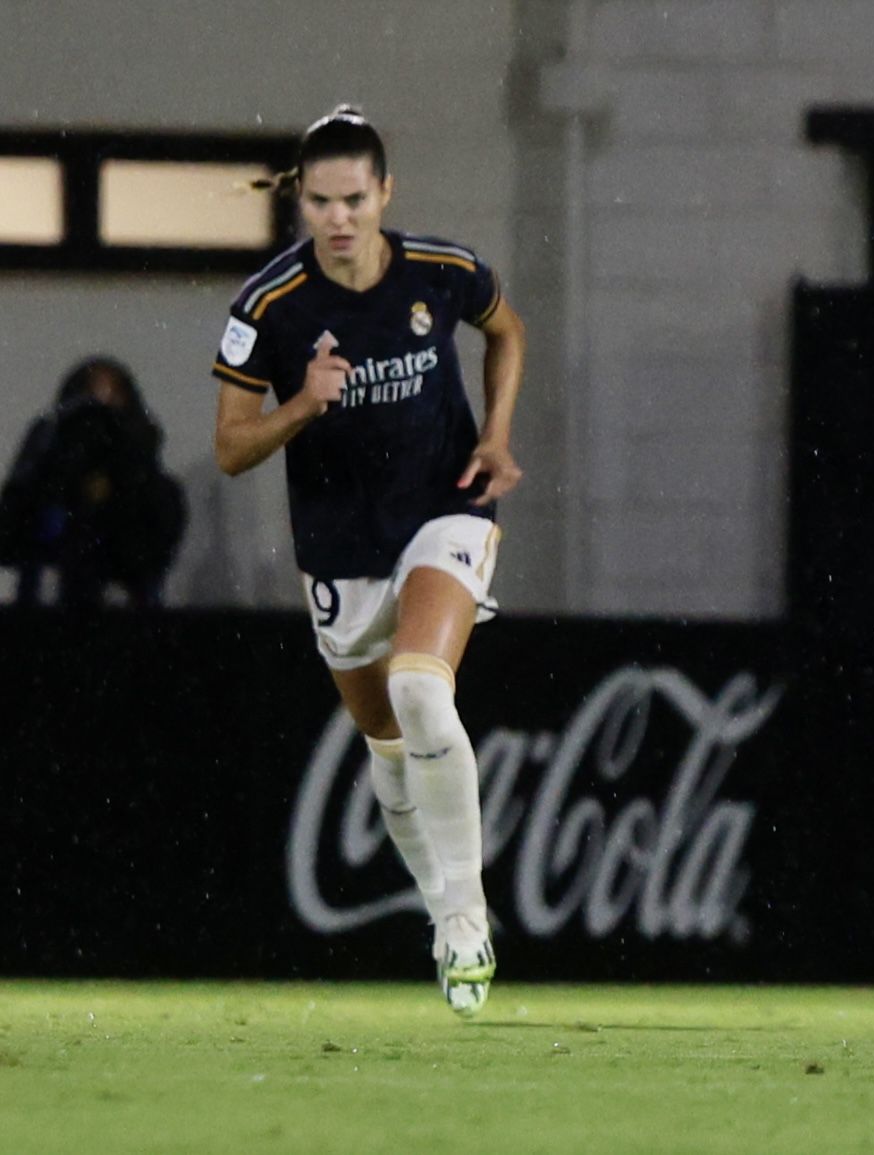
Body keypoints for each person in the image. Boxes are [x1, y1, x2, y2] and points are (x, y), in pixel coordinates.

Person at [211, 106, 527, 1017]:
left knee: (424, 691)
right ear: (299, 203)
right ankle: (441, 910)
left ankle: (467, 922)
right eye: (321, 202)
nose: (339, 218)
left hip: (445, 509)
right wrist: (303, 405)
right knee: (386, 747)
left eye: (355, 198)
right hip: (340, 550)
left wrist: (497, 435)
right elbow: (231, 450)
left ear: (385, 192)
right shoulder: (267, 308)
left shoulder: (444, 271)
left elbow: (507, 329)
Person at [0, 356, 186, 608]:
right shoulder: (47, 463)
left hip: (130, 615)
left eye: (112, 402)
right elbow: (12, 535)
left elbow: (153, 544)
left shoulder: (147, 483)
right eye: (87, 398)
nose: (96, 420)